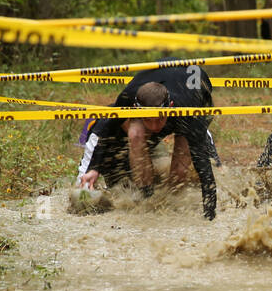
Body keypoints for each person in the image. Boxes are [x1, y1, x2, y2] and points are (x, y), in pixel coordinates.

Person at [76, 66, 218, 220]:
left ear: (169, 108)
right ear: (135, 109)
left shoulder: (188, 114)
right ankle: (148, 198)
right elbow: (102, 130)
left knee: (182, 164)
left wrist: (209, 213)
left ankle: (174, 202)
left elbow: (203, 167)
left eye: (160, 119)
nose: (155, 126)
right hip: (164, 80)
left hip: (195, 98)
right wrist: (93, 169)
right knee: (136, 133)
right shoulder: (127, 97)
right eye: (148, 120)